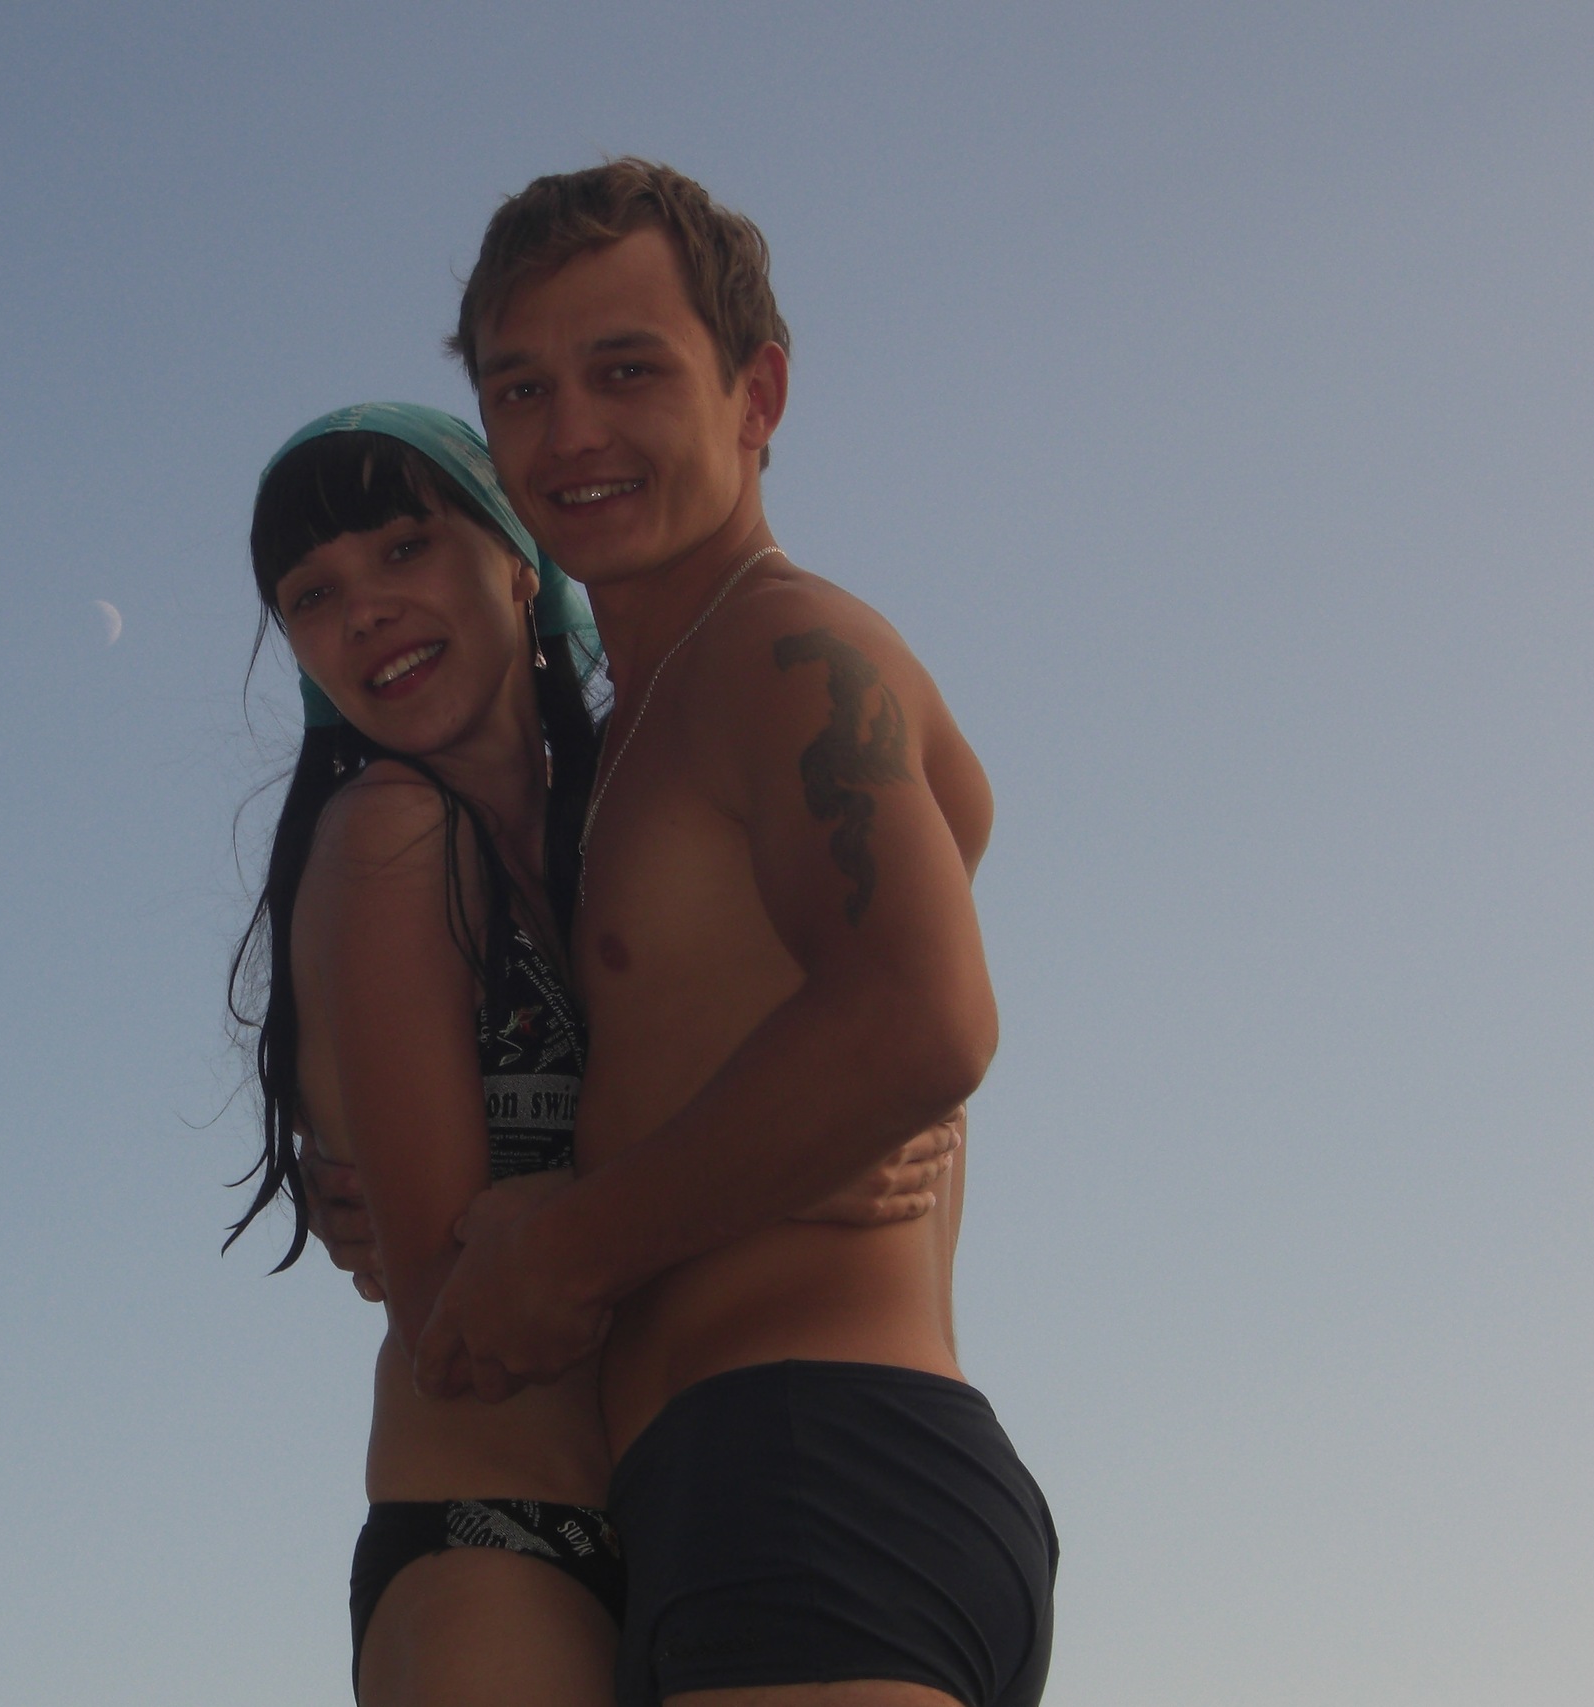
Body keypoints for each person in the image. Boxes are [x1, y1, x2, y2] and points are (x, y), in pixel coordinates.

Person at [405, 162, 1060, 1707]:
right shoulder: (638, 732)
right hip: (718, 1495)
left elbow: (922, 1020)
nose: (570, 432)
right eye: (521, 388)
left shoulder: (785, 645)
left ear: (756, 394)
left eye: (627, 370)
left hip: (815, 1462)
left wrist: (570, 1247)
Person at [227, 403, 961, 1707]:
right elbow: (452, 1313)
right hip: (501, 1544)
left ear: (520, 560)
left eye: (404, 548)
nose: (367, 611)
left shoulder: (626, 825)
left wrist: (859, 1105)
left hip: (709, 1517)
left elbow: (905, 904)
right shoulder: (390, 834)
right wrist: (779, 1167)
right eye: (312, 596)